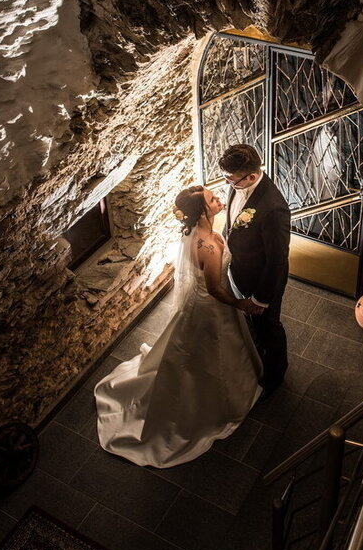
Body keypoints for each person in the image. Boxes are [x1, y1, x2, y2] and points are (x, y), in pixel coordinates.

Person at [94, 185, 262, 468]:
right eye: (212, 199)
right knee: (213, 354)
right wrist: (241, 304)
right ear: (201, 213)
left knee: (196, 352)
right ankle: (211, 405)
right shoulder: (207, 245)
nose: (219, 198)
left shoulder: (199, 236)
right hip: (211, 307)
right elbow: (216, 290)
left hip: (201, 303)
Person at [219, 144, 291, 397]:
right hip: (240, 269)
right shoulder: (237, 183)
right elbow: (233, 221)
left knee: (269, 327)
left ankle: (275, 375)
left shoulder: (274, 209)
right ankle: (256, 353)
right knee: (254, 326)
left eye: (231, 179)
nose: (228, 184)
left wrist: (261, 298)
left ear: (251, 176)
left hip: (261, 279)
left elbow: (277, 259)